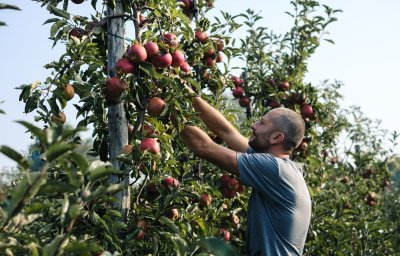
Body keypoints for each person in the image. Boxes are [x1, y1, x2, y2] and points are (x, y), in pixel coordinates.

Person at [177, 92, 312, 255]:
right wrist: (181, 89)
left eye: (262, 123)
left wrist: (170, 105)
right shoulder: (283, 168)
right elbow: (227, 132)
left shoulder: (273, 169)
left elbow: (203, 146)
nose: (253, 125)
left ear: (276, 137)